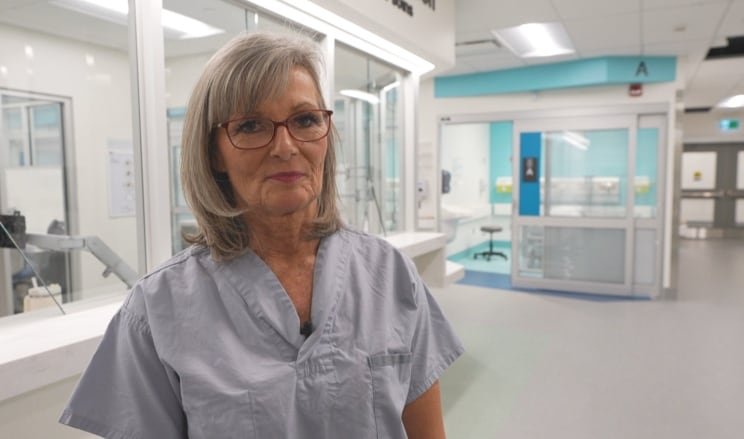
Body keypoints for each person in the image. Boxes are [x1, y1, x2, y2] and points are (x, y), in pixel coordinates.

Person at [59, 31, 464, 439]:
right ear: (213, 151)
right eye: (251, 125)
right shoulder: (158, 308)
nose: (286, 147)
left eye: (306, 120)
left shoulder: (391, 276)